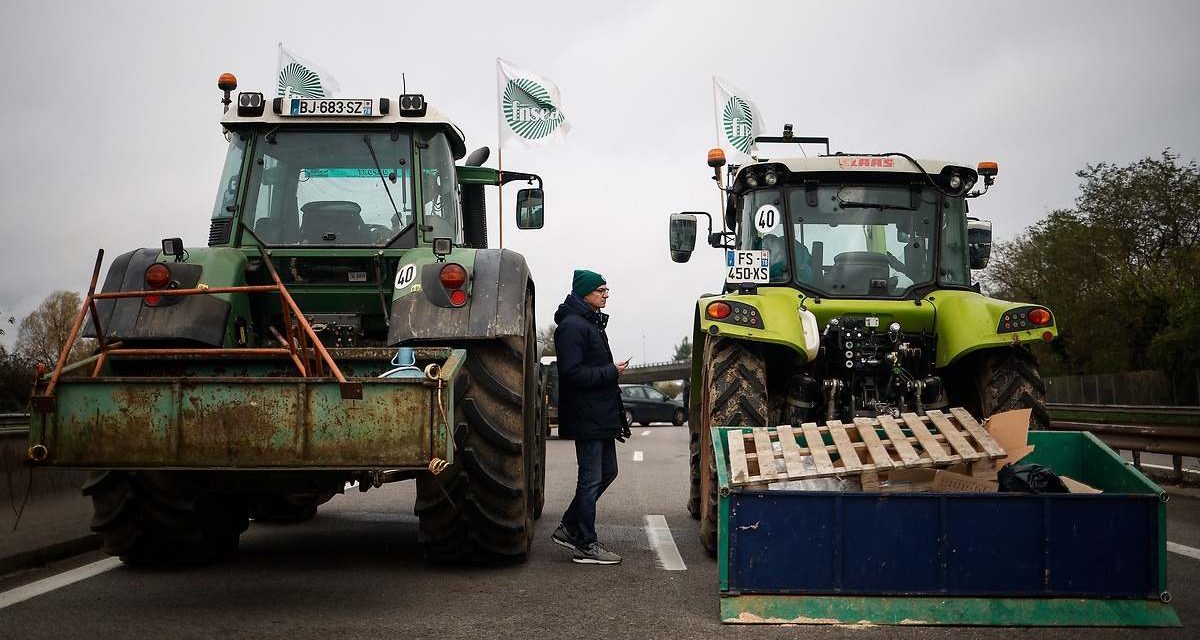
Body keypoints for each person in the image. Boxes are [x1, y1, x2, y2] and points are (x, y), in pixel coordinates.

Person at [550, 269, 631, 565]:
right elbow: (571, 374)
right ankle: (585, 543)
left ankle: (569, 527)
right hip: (587, 416)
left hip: (599, 415)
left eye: (606, 290)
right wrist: (612, 371)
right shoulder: (572, 327)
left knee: (607, 472)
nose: (606, 294)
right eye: (601, 290)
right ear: (585, 293)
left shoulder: (590, 323)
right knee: (590, 478)